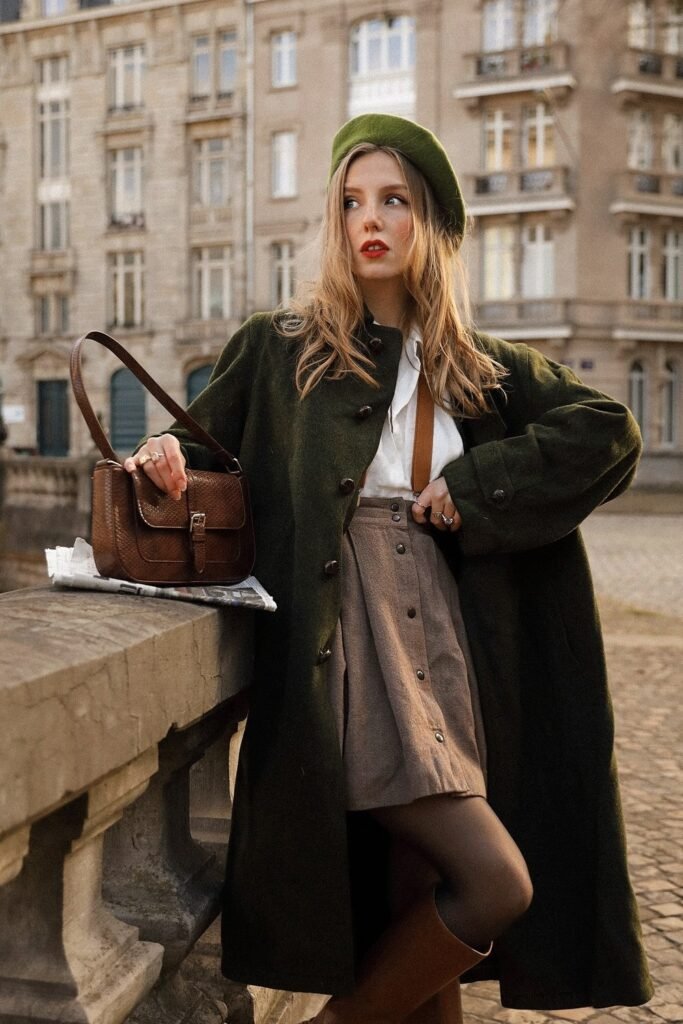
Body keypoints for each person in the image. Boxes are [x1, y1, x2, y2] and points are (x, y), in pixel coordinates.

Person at [124, 114, 653, 1023]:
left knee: (424, 895)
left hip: (448, 643)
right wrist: (163, 461)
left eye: (394, 201)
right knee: (494, 883)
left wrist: (477, 483)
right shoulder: (280, 344)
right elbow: (190, 449)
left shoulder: (475, 369)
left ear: (432, 224)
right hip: (347, 644)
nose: (369, 220)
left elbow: (609, 430)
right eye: (351, 202)